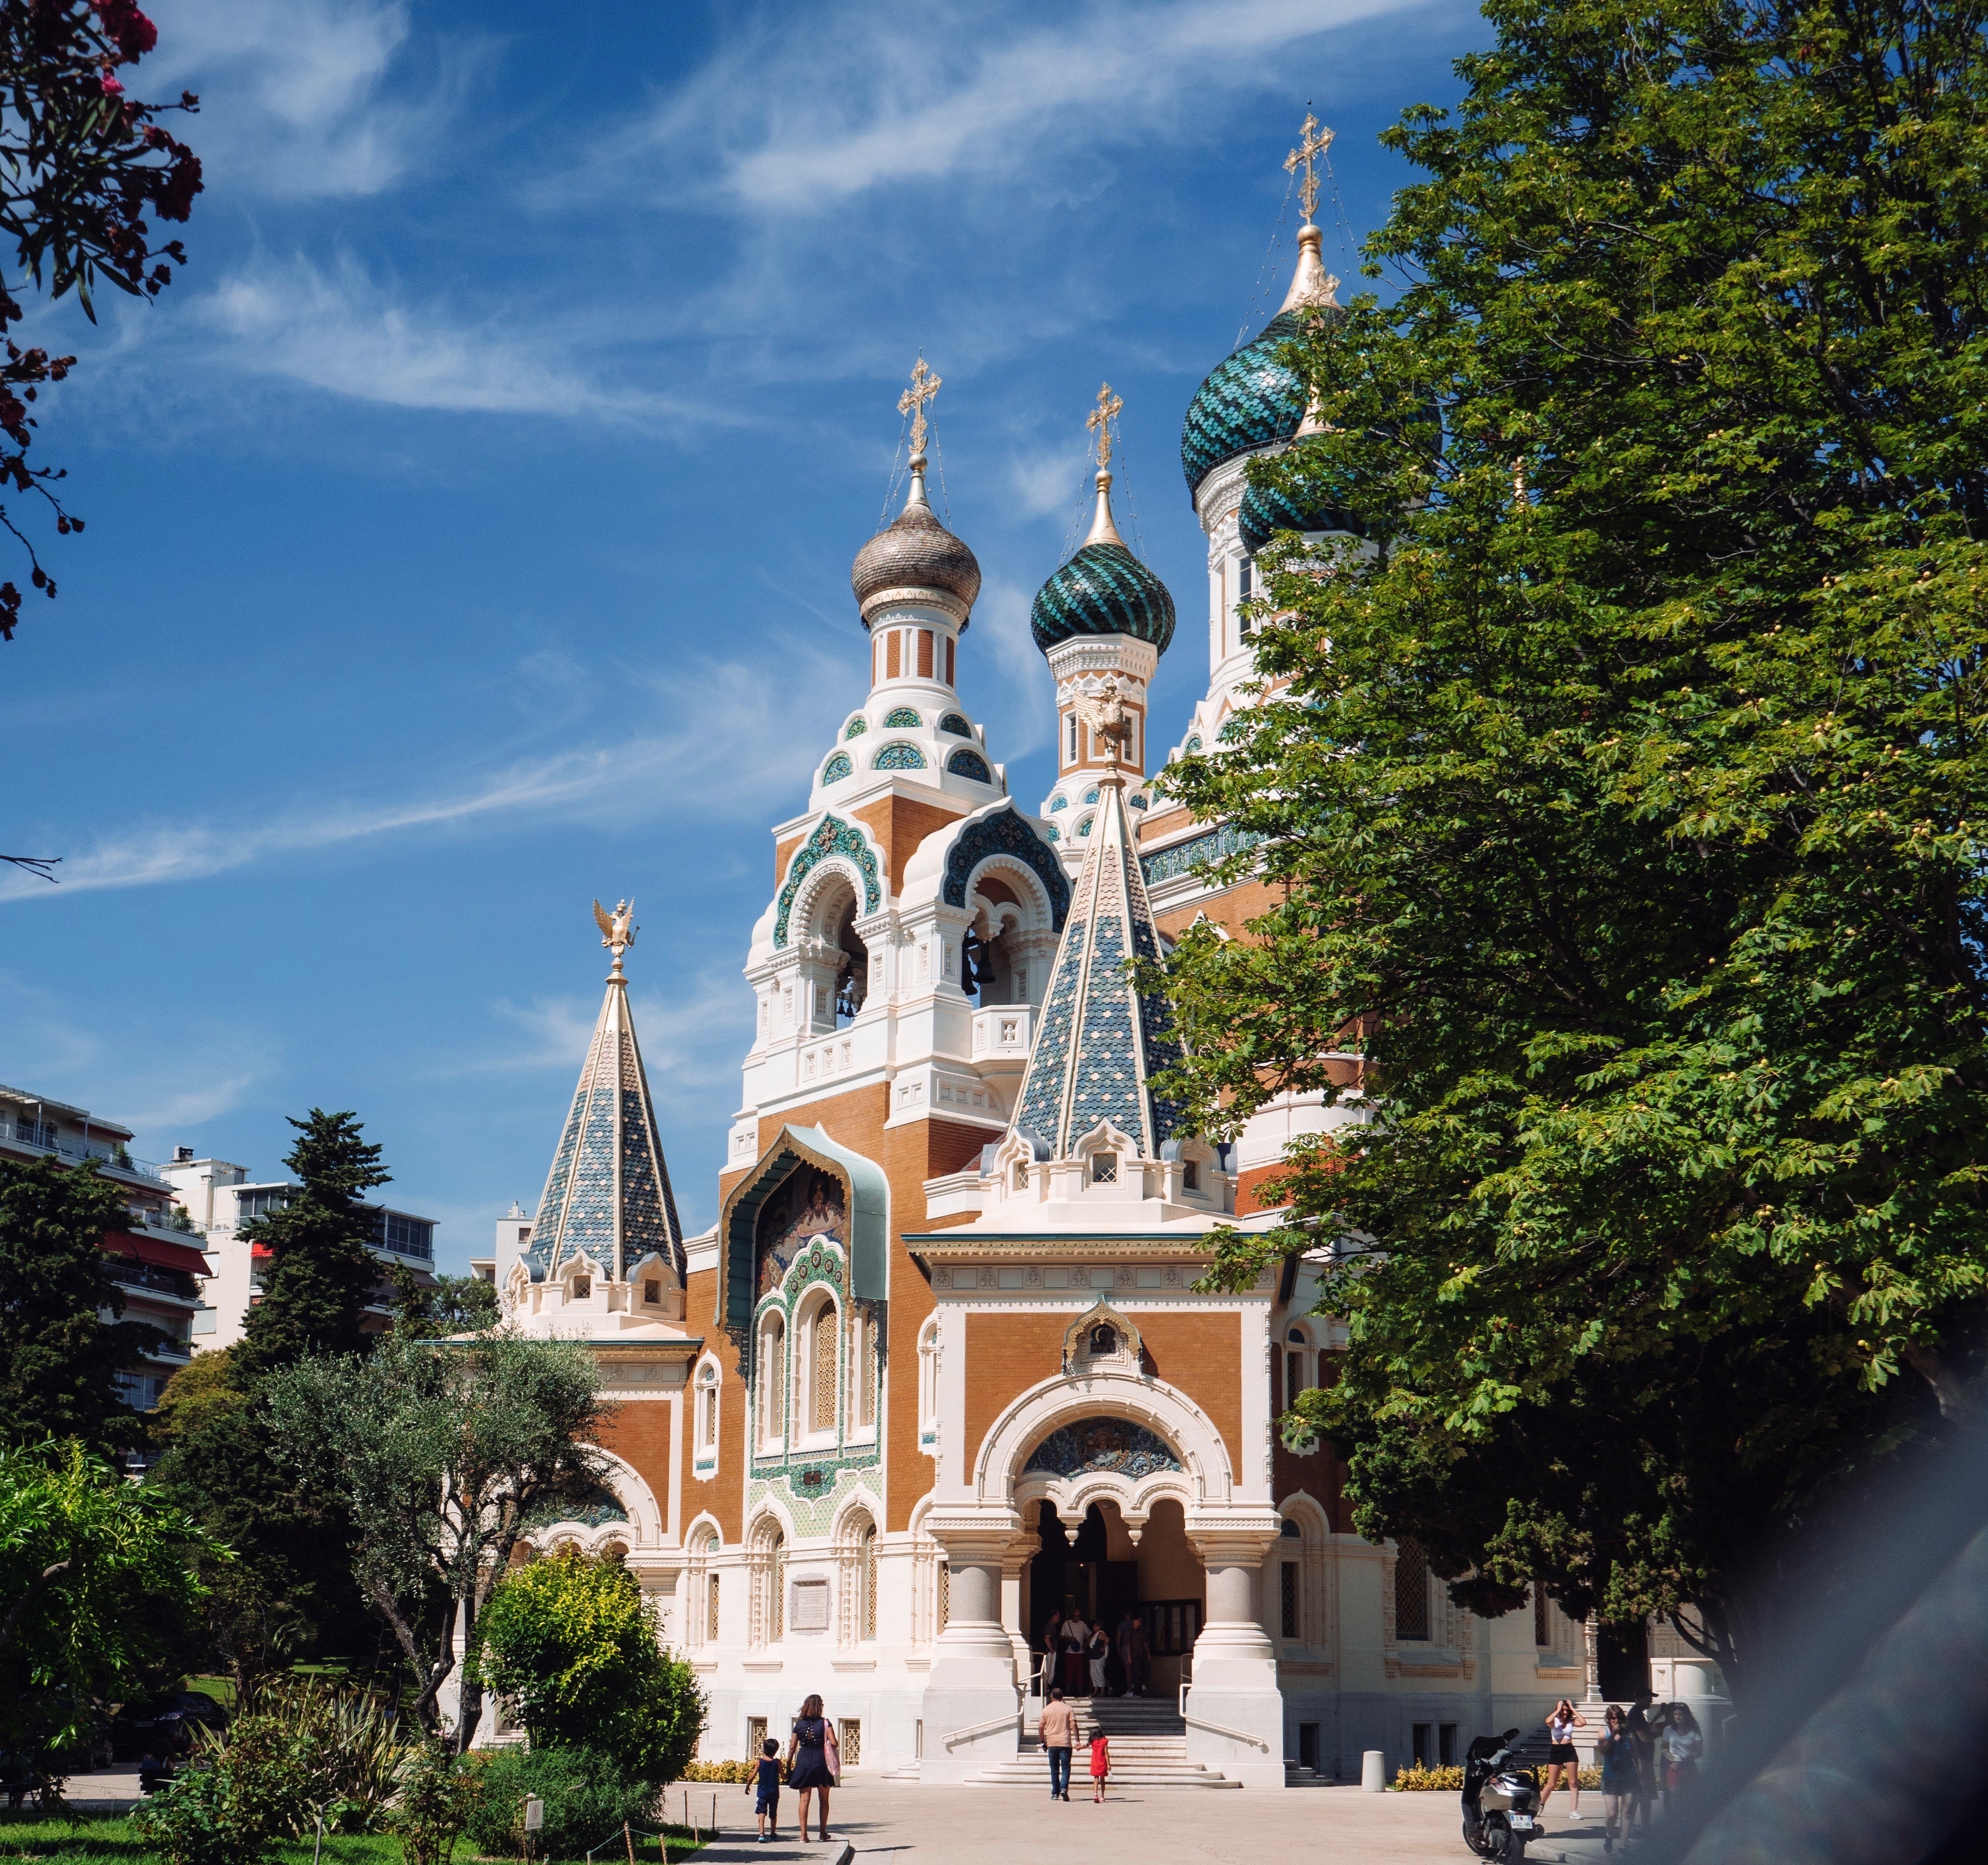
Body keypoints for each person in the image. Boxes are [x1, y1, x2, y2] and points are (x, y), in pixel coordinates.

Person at [786, 1694, 835, 1842]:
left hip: (804, 1762)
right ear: (820, 1707)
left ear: (806, 1706)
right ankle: (822, 1833)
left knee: (804, 1800)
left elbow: (793, 1747)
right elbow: (834, 1743)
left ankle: (803, 1835)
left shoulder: (799, 1725)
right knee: (824, 1800)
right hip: (822, 1763)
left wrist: (788, 1765)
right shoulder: (826, 1723)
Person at [1595, 1705, 1637, 1854]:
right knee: (1612, 1813)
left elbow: (1634, 1756)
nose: (1616, 1721)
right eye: (1613, 1718)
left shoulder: (1628, 1734)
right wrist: (1613, 1735)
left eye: (1619, 1717)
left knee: (1627, 1813)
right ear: (1608, 1719)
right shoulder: (1604, 1731)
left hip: (1628, 1777)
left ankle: (1623, 1846)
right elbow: (1602, 1750)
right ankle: (1609, 1835)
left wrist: (1639, 1774)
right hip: (1611, 1777)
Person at [1539, 1698, 1586, 1821]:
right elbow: (1547, 1721)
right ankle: (1540, 1805)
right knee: (1551, 1783)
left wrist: (1573, 1709)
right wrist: (1558, 1709)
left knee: (1573, 1782)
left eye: (1566, 1710)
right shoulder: (1554, 1721)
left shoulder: (1571, 1721)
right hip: (1556, 1750)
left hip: (1569, 1750)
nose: (1565, 1713)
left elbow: (1583, 1722)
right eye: (1563, 1710)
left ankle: (1574, 1811)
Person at [1625, 1700, 1658, 1832]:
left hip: (1642, 1759)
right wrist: (1659, 1732)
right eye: (1648, 1697)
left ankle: (1637, 1825)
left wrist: (1657, 1716)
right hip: (1641, 1760)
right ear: (1640, 1698)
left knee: (1642, 1795)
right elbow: (1644, 1737)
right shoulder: (1636, 1715)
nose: (1650, 1700)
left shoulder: (1637, 1714)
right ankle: (1639, 1825)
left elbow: (1643, 1731)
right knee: (1643, 1795)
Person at [1039, 1686, 1077, 1801]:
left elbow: (1041, 1727)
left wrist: (1042, 1741)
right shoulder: (1068, 1709)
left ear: (1051, 1697)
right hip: (1065, 1742)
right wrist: (1078, 1739)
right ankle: (1064, 1788)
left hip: (1052, 1742)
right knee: (1066, 1768)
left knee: (1054, 1769)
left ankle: (1055, 1793)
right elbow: (1074, 1725)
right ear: (1062, 1697)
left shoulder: (1046, 1710)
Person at [1663, 1703, 1703, 1809]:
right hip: (1673, 1767)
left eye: (1680, 1715)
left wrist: (1683, 1759)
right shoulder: (1668, 1730)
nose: (1678, 1717)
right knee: (1676, 1798)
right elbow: (1664, 1747)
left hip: (1689, 1766)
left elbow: (1699, 1751)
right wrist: (1666, 1752)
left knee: (1689, 1798)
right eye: (1675, 1714)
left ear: (1686, 1716)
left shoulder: (1694, 1731)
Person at [747, 1737, 782, 1844]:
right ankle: (773, 1833)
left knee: (761, 1812)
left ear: (764, 1749)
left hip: (762, 1792)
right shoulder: (777, 1763)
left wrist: (748, 1785)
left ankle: (762, 1834)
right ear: (776, 1750)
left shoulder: (760, 1762)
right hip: (774, 1792)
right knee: (773, 1813)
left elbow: (752, 1776)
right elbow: (784, 1776)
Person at [1056, 1601, 1092, 1697]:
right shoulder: (1066, 1624)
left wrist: (1086, 1643)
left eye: (1078, 1616)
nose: (1077, 1618)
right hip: (1070, 1651)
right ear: (1072, 1616)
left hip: (1080, 1652)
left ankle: (1080, 1691)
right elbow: (1061, 1637)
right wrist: (1070, 1639)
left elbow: (1089, 1634)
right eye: (1075, 1616)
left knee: (1080, 1672)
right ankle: (1068, 1690)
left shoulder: (1082, 1625)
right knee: (1069, 1671)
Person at [1119, 1611, 1150, 1697]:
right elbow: (1128, 1644)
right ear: (1134, 1621)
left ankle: (1141, 1687)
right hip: (1135, 1655)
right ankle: (1135, 1691)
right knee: (1136, 1673)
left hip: (1142, 1655)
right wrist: (1129, 1656)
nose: (1140, 1623)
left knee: (1146, 1671)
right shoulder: (1130, 1632)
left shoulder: (1142, 1631)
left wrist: (1148, 1654)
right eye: (1138, 1621)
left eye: (1140, 1621)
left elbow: (1145, 1642)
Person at [1087, 1622, 1112, 1698]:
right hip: (1093, 1656)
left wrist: (1103, 1647)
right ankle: (1096, 1690)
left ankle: (1102, 1690)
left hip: (1099, 1656)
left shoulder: (1100, 1633)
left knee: (1099, 1673)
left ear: (1099, 1627)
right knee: (1093, 1673)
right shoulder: (1095, 1635)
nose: (1093, 1627)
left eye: (1095, 1625)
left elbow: (1107, 1639)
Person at [1089, 1727, 1111, 1804]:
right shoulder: (1105, 1741)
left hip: (1095, 1761)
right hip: (1103, 1761)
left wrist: (1078, 1748)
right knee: (1102, 1778)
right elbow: (1106, 1753)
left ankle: (1095, 1794)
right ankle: (1102, 1796)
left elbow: (1085, 1746)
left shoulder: (1093, 1741)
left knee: (1096, 1777)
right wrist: (1109, 1764)